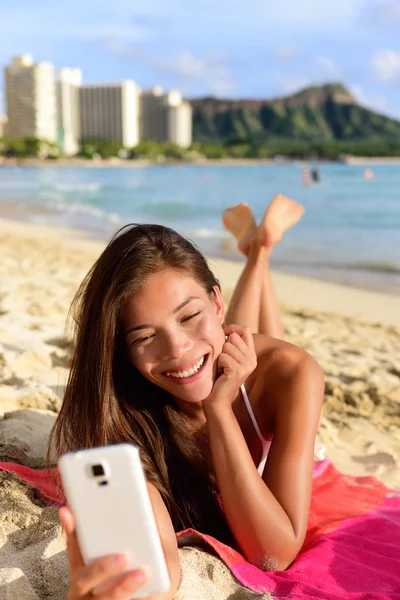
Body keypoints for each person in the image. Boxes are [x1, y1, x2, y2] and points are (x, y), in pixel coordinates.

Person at [53, 193, 324, 599]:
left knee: (243, 345)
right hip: (214, 357)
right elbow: (158, 564)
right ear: (123, 350)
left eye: (189, 314)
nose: (175, 347)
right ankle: (257, 249)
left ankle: (259, 252)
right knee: (209, 350)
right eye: (144, 336)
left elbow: (275, 554)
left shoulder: (295, 373)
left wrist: (218, 408)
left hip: (250, 369)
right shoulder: (121, 411)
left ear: (218, 302)